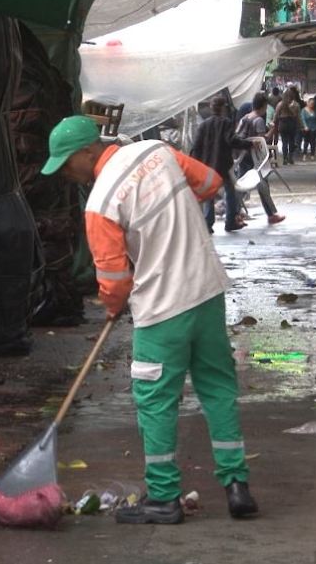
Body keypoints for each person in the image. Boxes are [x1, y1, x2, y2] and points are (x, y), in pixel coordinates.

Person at [41, 115, 259, 524]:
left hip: (162, 310)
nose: (67, 176)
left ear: (88, 152)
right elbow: (211, 183)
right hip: (207, 291)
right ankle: (237, 487)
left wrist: (111, 305)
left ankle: (163, 497)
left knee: (156, 402)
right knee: (218, 389)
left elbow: (114, 279)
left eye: (67, 164)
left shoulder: (100, 203)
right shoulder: (158, 151)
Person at [191, 96, 252, 233]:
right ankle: (230, 221)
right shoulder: (226, 123)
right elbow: (231, 140)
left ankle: (207, 224)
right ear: (223, 108)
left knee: (208, 194)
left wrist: (195, 164)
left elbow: (196, 146)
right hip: (222, 164)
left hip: (206, 165)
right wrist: (248, 144)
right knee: (230, 191)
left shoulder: (203, 125)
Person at [237, 93, 285, 224]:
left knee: (242, 183)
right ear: (263, 106)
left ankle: (233, 210)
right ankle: (271, 214)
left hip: (242, 156)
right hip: (255, 158)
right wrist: (272, 129)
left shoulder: (244, 118)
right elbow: (262, 141)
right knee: (263, 184)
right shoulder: (258, 120)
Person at [274, 87, 302, 165]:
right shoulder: (296, 104)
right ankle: (291, 158)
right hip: (292, 123)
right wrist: (300, 126)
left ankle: (285, 158)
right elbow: (298, 117)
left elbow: (276, 115)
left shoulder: (280, 104)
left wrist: (274, 122)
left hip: (283, 123)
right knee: (291, 141)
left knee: (284, 142)